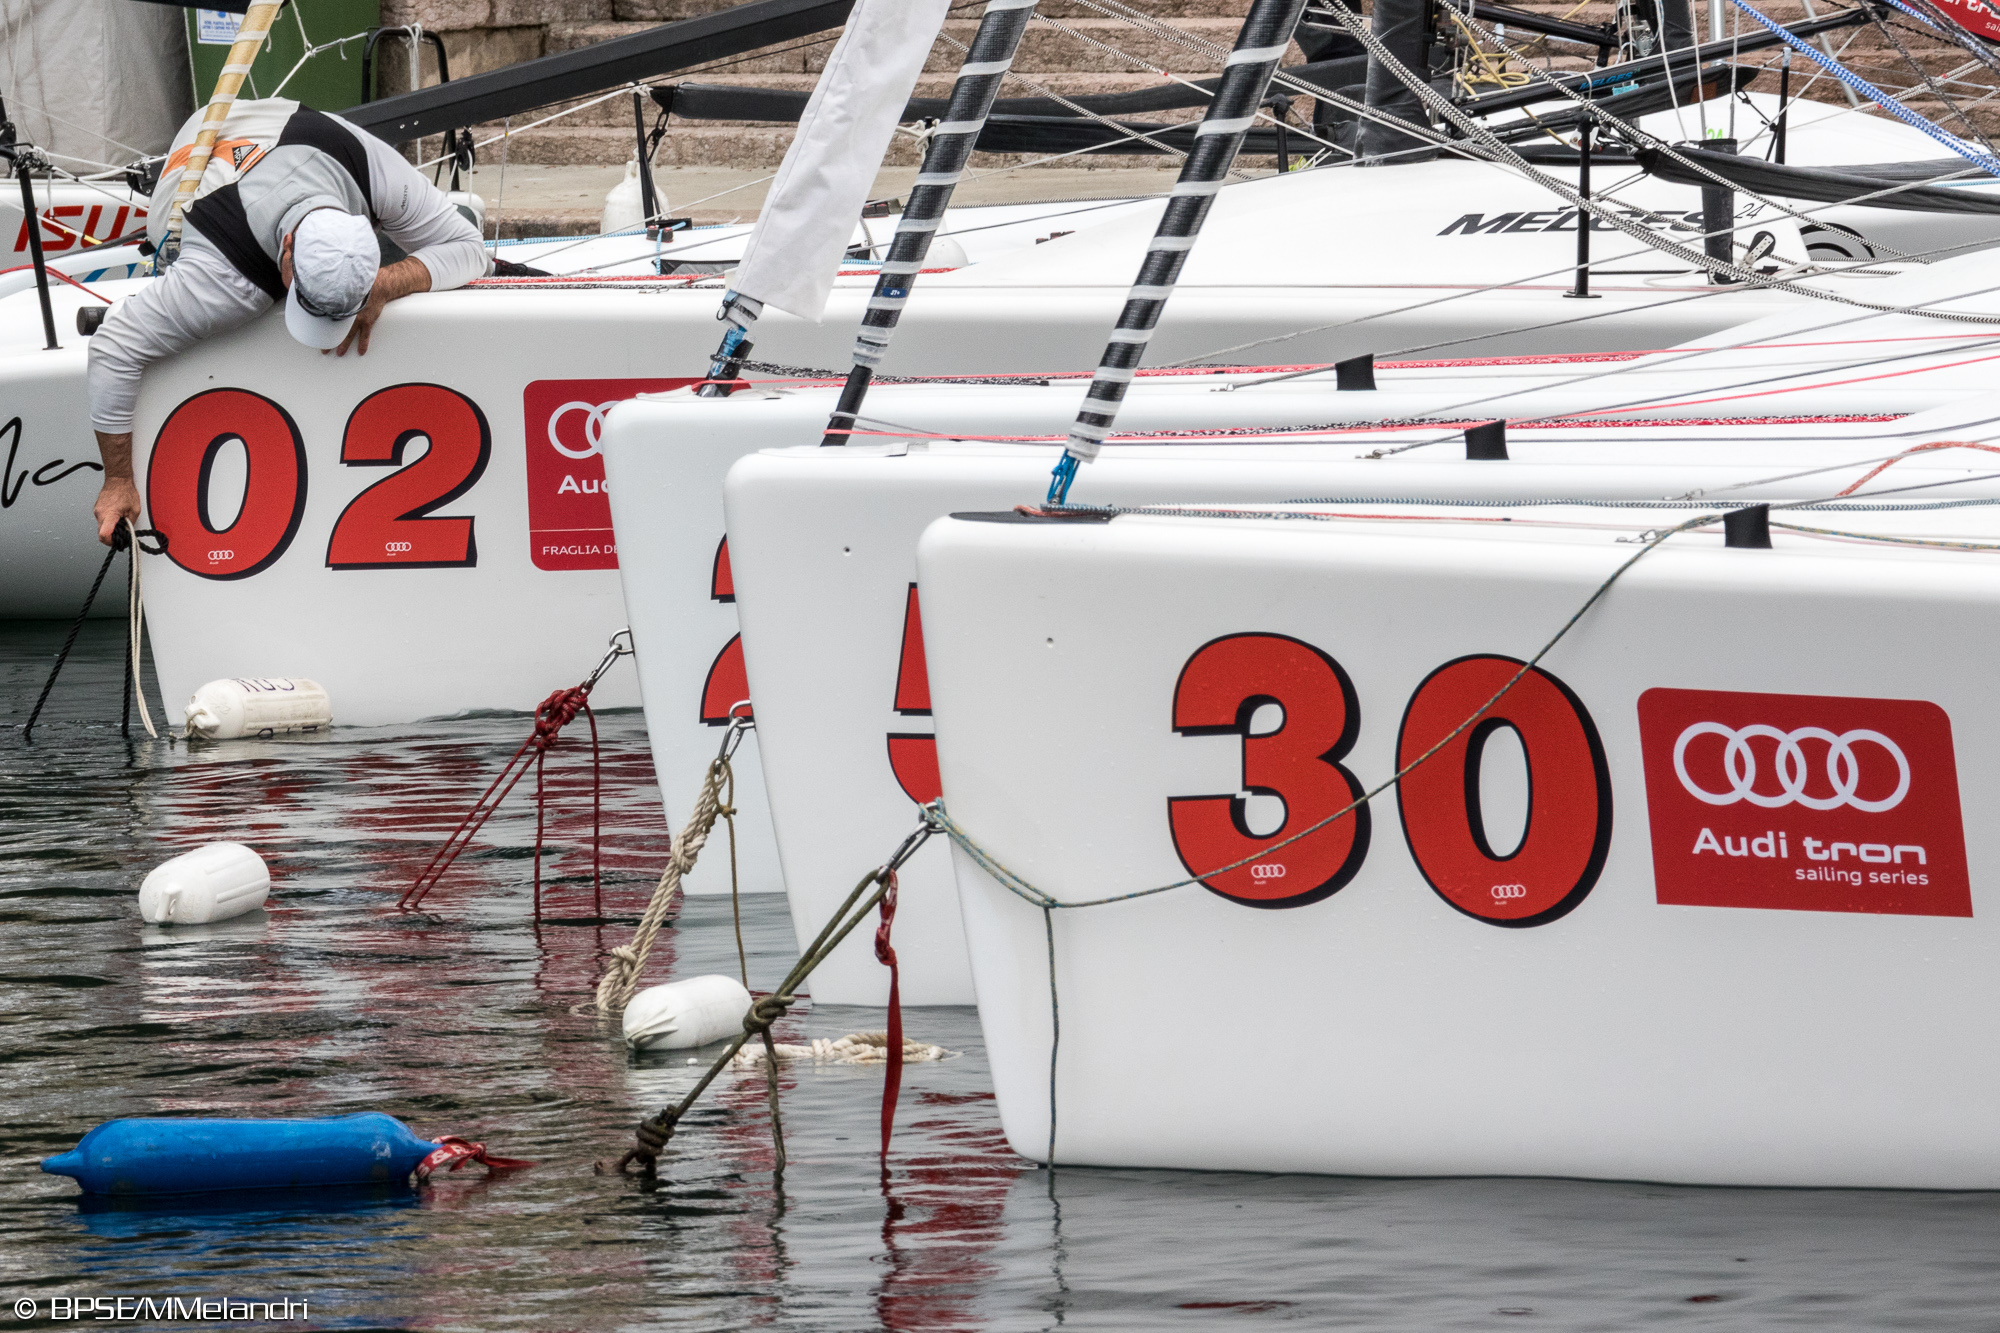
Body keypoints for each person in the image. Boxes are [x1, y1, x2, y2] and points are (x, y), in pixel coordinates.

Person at [86, 99, 493, 545]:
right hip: (205, 158)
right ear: (288, 253)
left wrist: (384, 285)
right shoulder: (227, 283)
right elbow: (114, 345)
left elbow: (473, 251)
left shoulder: (368, 167)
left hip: (271, 127)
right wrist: (118, 481)